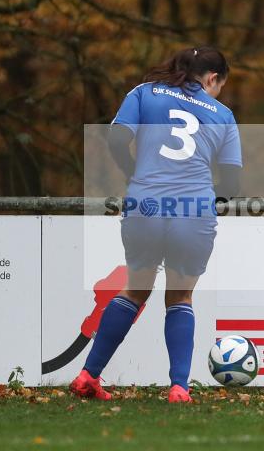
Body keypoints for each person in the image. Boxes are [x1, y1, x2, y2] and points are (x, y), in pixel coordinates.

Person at [71, 46, 242, 403]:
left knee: (134, 290)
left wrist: (135, 174)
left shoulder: (143, 92)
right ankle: (179, 387)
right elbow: (231, 181)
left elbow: (117, 138)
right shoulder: (223, 114)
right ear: (213, 79)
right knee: (180, 296)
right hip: (192, 211)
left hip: (144, 205)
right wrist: (212, 203)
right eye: (220, 84)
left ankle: (88, 375)